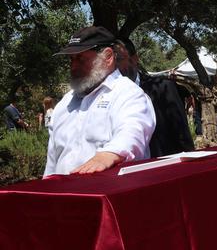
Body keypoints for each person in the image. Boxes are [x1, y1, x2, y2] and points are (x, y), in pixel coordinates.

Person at [45, 26, 155, 176]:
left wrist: (108, 155)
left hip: (108, 196)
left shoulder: (128, 94)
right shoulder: (65, 103)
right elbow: (52, 160)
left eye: (81, 59)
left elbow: (133, 132)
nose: (73, 67)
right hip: (64, 195)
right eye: (71, 59)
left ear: (108, 57)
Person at [115, 39, 194, 157]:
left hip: (162, 168)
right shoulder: (105, 95)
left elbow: (181, 135)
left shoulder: (163, 88)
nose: (115, 66)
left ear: (135, 59)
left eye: (119, 60)